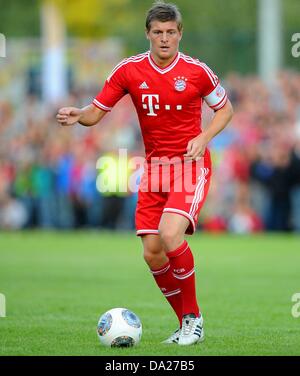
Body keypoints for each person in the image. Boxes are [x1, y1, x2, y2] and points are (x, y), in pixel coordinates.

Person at [56, 1, 233, 346]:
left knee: (170, 235)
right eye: (158, 33)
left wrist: (204, 136)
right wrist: (79, 114)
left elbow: (225, 110)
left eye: (171, 32)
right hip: (154, 169)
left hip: (189, 165)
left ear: (180, 33)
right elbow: (96, 112)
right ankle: (184, 322)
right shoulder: (128, 70)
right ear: (148, 34)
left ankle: (194, 319)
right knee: (152, 251)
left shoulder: (197, 71)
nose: (164, 39)